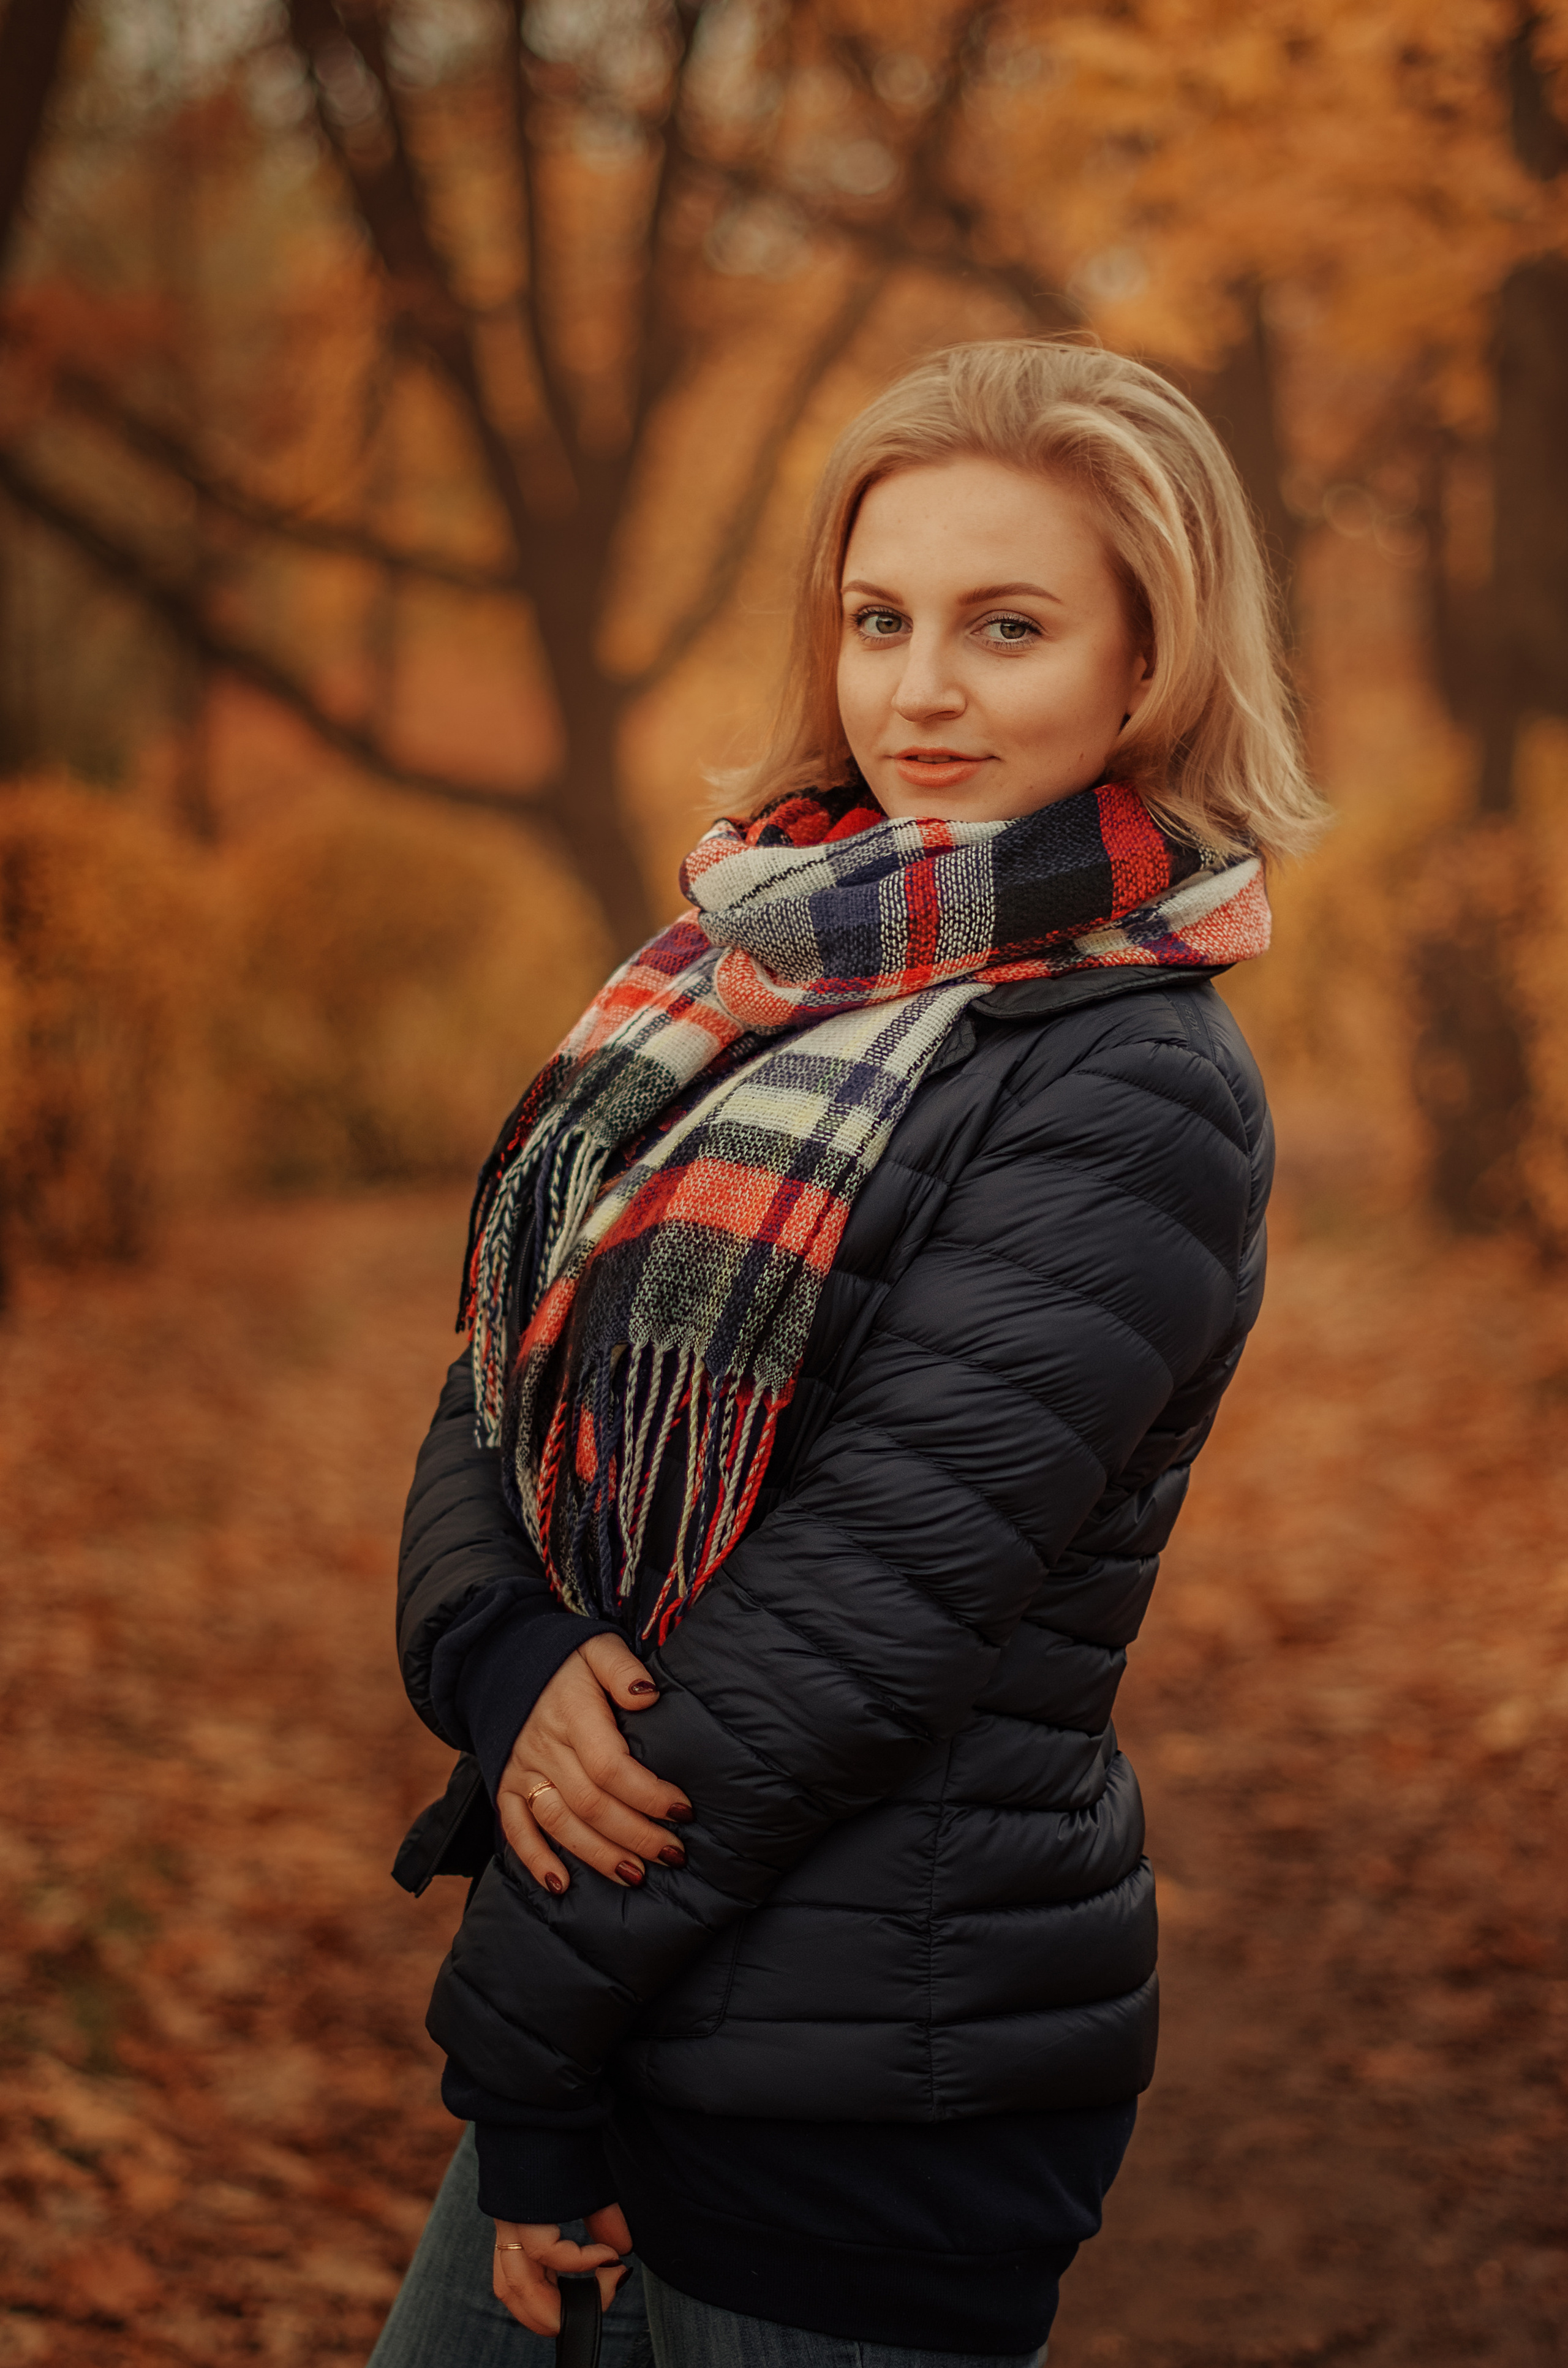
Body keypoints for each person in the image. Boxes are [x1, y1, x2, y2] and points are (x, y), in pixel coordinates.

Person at [369, 337, 1323, 2368]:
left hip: (873, 2087)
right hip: (633, 2001)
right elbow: (500, 1362)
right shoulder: (744, 973)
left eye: (1008, 625)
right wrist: (509, 1655)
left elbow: (845, 1649)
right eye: (881, 619)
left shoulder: (1133, 1085)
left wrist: (518, 2060)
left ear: (1147, 664)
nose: (923, 690)